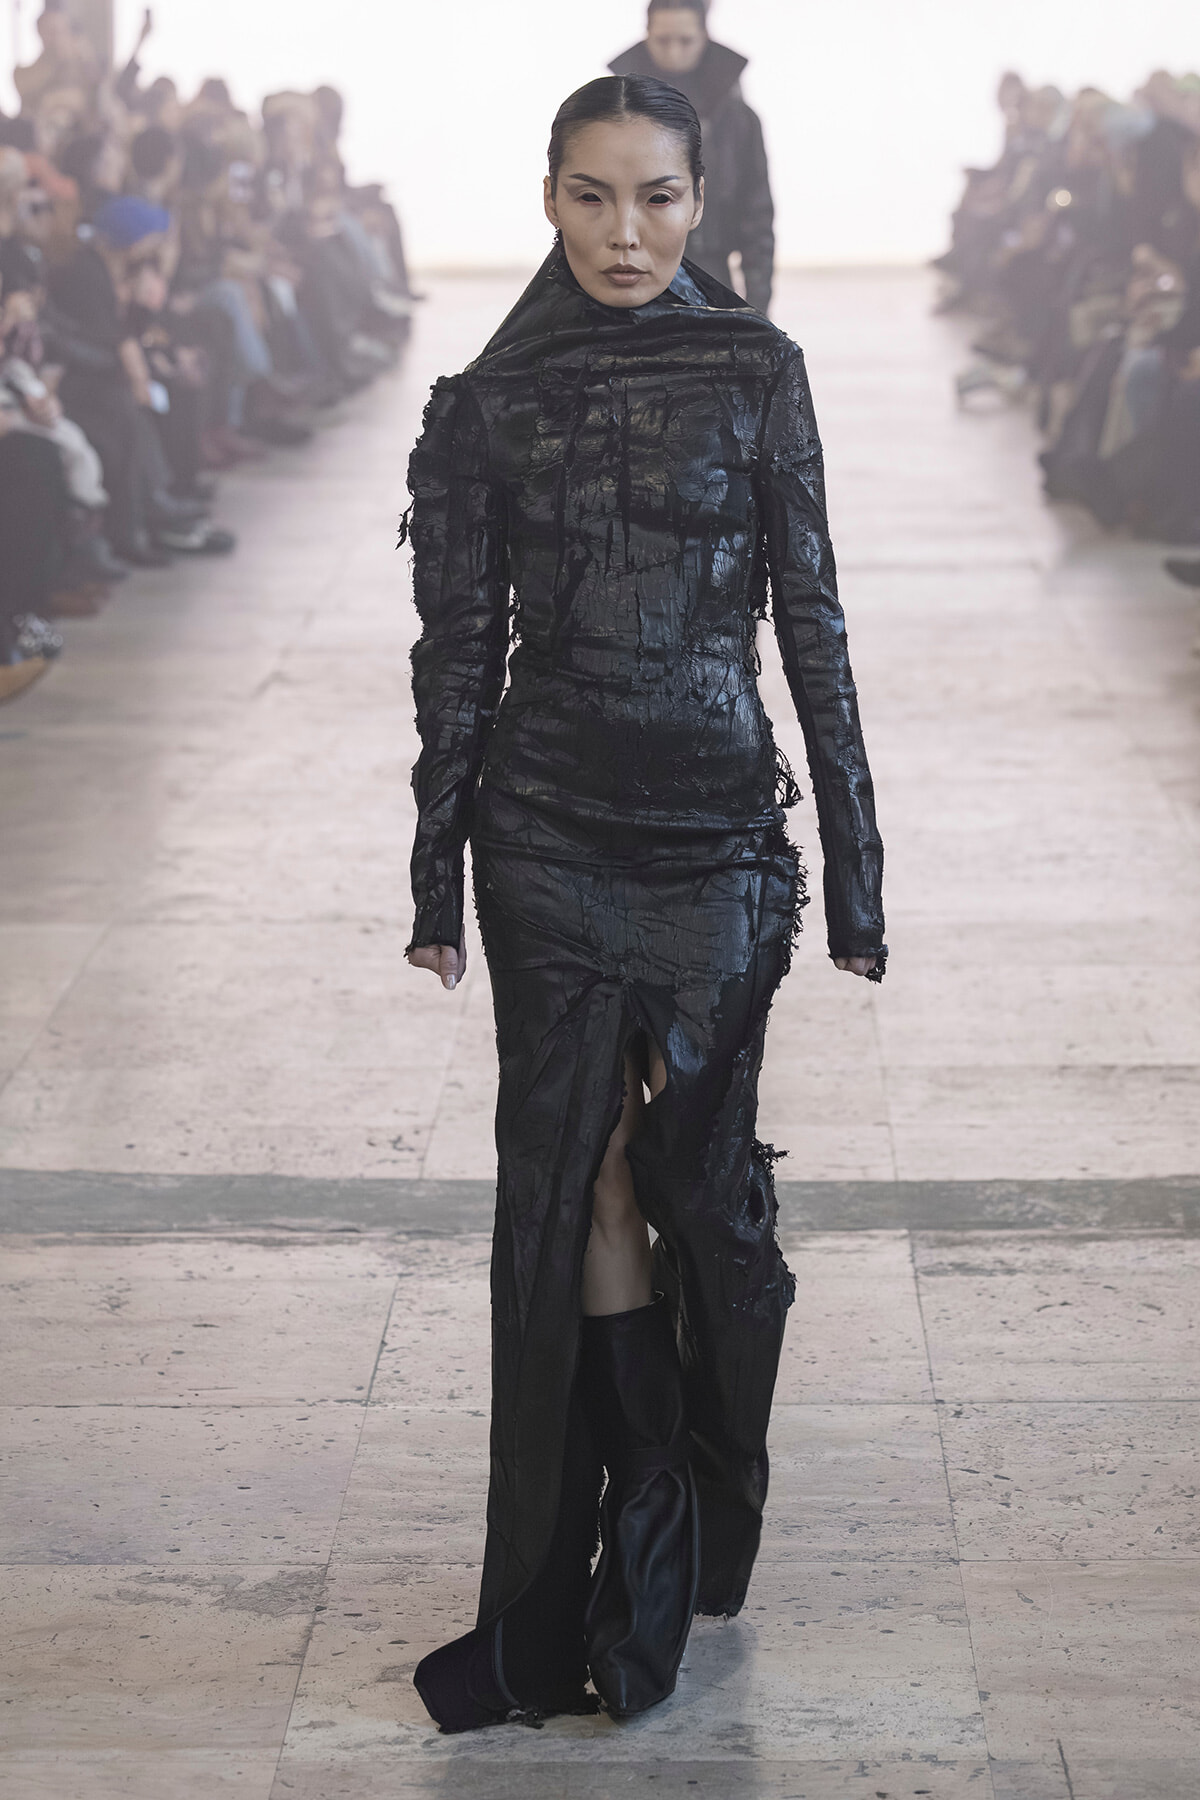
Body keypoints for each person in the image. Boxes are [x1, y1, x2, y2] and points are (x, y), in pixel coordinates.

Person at [403, 75, 884, 1732]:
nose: (627, 232)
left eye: (658, 199)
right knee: (578, 1179)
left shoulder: (760, 373)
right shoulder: (488, 404)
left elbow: (809, 613)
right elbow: (459, 657)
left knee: (708, 1188)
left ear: (699, 201)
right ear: (547, 198)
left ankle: (700, 1477)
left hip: (717, 840)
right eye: (595, 198)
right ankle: (627, 1555)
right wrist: (433, 872)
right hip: (541, 834)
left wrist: (857, 863)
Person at [608, 0, 774, 312]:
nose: (674, 51)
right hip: (630, 270)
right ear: (647, 35)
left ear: (704, 37)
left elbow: (758, 217)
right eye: (663, 40)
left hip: (711, 273)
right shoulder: (613, 111)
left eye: (685, 41)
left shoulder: (738, 119)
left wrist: (759, 309)